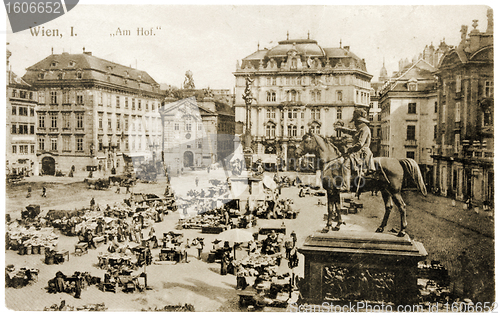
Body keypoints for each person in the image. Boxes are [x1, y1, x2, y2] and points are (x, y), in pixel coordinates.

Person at [336, 109, 376, 192]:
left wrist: (350, 149)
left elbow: (360, 144)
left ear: (359, 121)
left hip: (362, 152)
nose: (354, 124)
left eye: (355, 122)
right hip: (358, 151)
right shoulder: (360, 129)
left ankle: (345, 186)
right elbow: (352, 131)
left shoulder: (365, 129)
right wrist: (341, 128)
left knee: (345, 165)